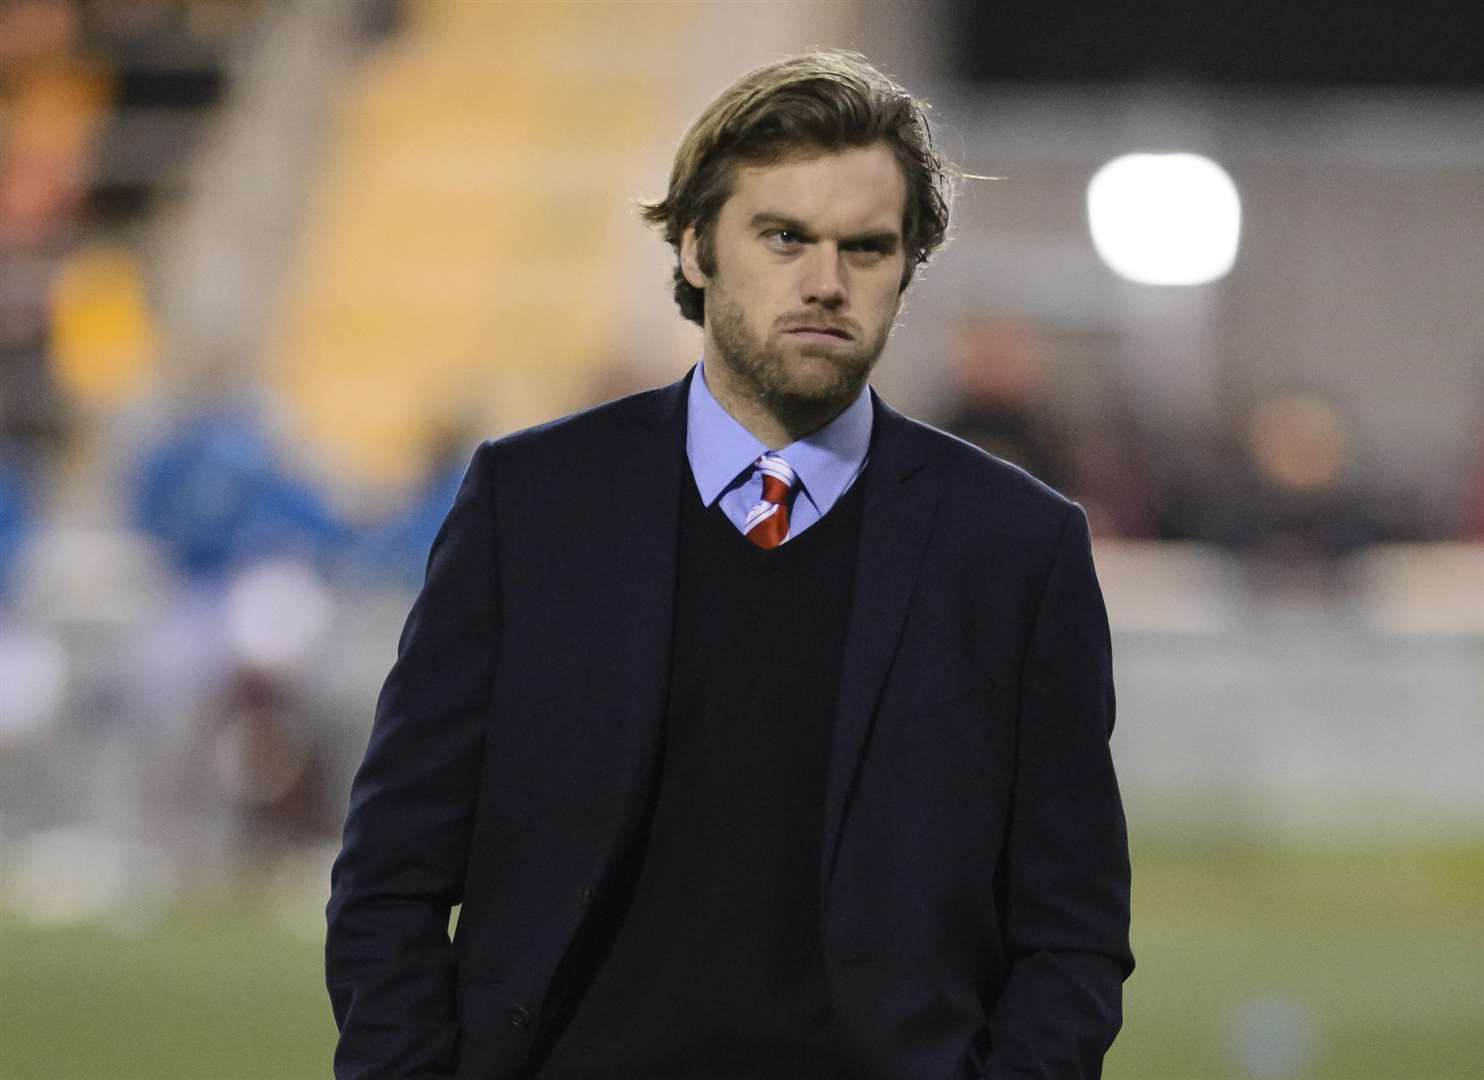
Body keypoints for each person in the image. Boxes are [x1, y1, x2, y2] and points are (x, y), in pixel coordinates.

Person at [326, 49, 1132, 1080]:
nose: (826, 284)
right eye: (783, 237)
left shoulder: (1016, 549)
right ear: (698, 246)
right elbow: (391, 875)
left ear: (907, 267)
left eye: (867, 248)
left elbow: (1070, 934)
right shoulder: (530, 506)